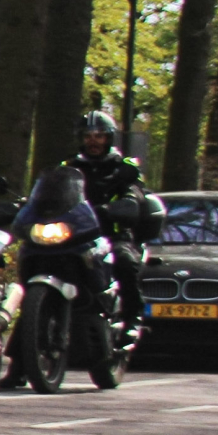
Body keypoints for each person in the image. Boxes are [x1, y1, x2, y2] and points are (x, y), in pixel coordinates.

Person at [73, 110, 149, 316]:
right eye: (88, 136)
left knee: (125, 262)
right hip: (74, 235)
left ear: (109, 138)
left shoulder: (124, 168)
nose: (93, 141)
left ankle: (132, 318)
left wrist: (122, 205)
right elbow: (51, 191)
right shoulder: (70, 167)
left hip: (112, 234)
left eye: (99, 136)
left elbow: (135, 195)